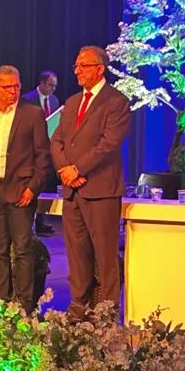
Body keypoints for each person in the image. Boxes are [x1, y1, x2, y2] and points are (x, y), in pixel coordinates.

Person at [50, 45, 131, 320]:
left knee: (105, 254)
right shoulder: (72, 102)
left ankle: (107, 310)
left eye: (83, 66)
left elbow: (108, 144)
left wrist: (78, 168)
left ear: (100, 68)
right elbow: (57, 139)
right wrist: (64, 169)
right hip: (72, 190)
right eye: (76, 66)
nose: (77, 71)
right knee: (77, 252)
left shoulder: (116, 101)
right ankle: (79, 304)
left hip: (101, 190)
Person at [0, 66, 51, 316]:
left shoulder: (32, 114)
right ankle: (1, 303)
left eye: (16, 86)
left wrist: (33, 188)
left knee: (22, 249)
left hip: (21, 190)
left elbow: (43, 157)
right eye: (7, 87)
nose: (13, 91)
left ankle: (24, 306)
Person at [21, 70, 61, 235]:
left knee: (46, 183)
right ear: (42, 83)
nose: (53, 89)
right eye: (51, 85)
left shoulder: (54, 100)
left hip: (48, 147)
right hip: (31, 149)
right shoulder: (27, 99)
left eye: (55, 86)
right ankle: (30, 223)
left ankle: (41, 220)